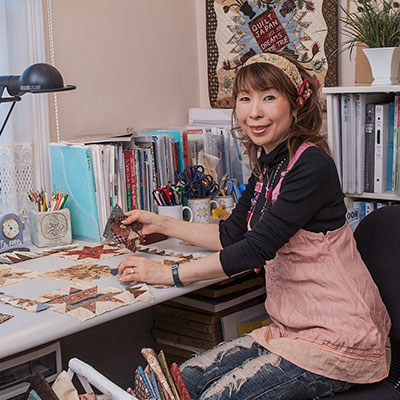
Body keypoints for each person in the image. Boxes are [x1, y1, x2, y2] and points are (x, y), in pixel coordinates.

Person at [118, 52, 390, 399]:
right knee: (177, 383)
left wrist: (166, 274)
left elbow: (254, 250)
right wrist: (160, 222)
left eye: (269, 97)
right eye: (245, 99)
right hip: (290, 331)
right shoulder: (268, 165)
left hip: (339, 340)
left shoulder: (311, 166)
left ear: (296, 105)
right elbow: (231, 234)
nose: (254, 112)